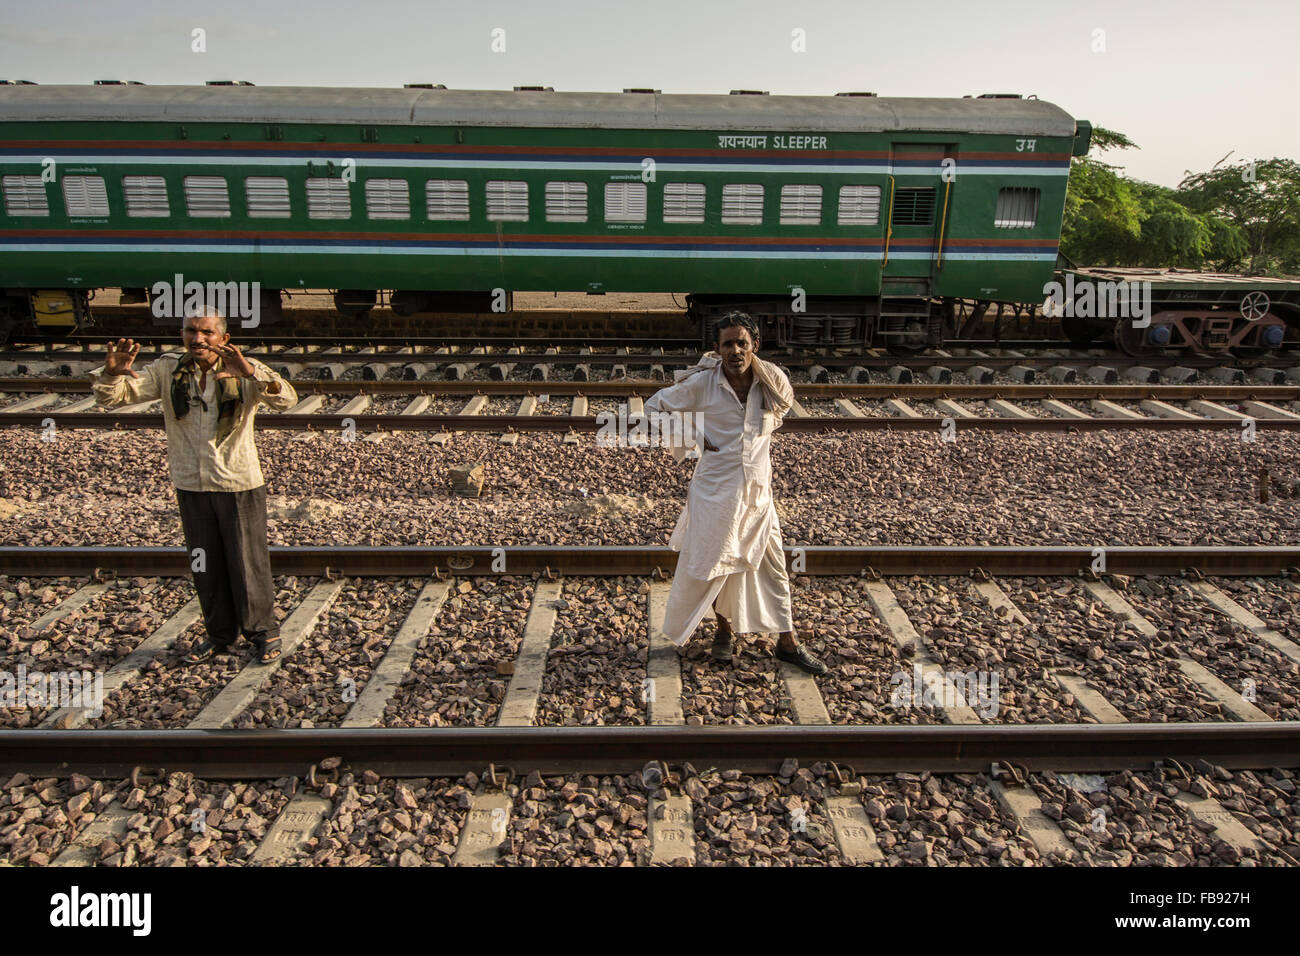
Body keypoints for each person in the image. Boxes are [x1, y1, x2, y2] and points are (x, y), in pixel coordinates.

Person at [91, 304, 297, 664]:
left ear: (224, 338)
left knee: (248, 563)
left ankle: (264, 634)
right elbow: (112, 399)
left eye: (206, 332)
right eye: (190, 331)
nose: (197, 339)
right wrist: (113, 375)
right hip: (191, 483)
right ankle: (219, 636)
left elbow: (286, 400)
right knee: (205, 565)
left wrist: (251, 374)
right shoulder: (168, 369)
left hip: (238, 483)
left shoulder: (243, 367)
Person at [643, 311, 827, 675]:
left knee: (773, 567)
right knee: (713, 566)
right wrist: (695, 437)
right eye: (728, 344)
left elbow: (785, 404)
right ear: (718, 349)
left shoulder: (771, 380)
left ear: (754, 346)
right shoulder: (702, 385)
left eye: (742, 343)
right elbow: (654, 407)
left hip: (758, 495)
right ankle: (723, 633)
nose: (736, 350)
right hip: (714, 493)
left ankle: (787, 642)